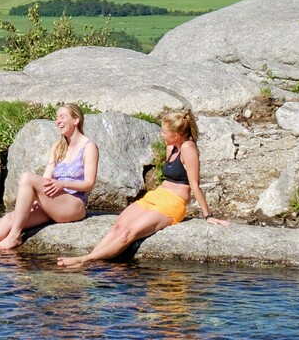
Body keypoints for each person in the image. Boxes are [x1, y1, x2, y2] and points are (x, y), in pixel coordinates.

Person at [55, 107, 225, 269]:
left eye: (164, 132)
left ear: (176, 134)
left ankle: (84, 260)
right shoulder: (171, 147)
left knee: (129, 233)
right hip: (157, 195)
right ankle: (92, 256)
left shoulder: (188, 148)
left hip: (173, 203)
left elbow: (194, 184)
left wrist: (208, 215)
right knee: (118, 226)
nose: (161, 134)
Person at [0, 104, 94, 254]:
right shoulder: (58, 146)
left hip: (74, 205)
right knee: (12, 217)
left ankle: (15, 236)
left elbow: (89, 184)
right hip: (54, 203)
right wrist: (36, 201)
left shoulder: (89, 147)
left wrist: (62, 184)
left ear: (76, 119)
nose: (58, 122)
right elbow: (46, 178)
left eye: (62, 117)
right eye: (56, 118)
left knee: (27, 177)